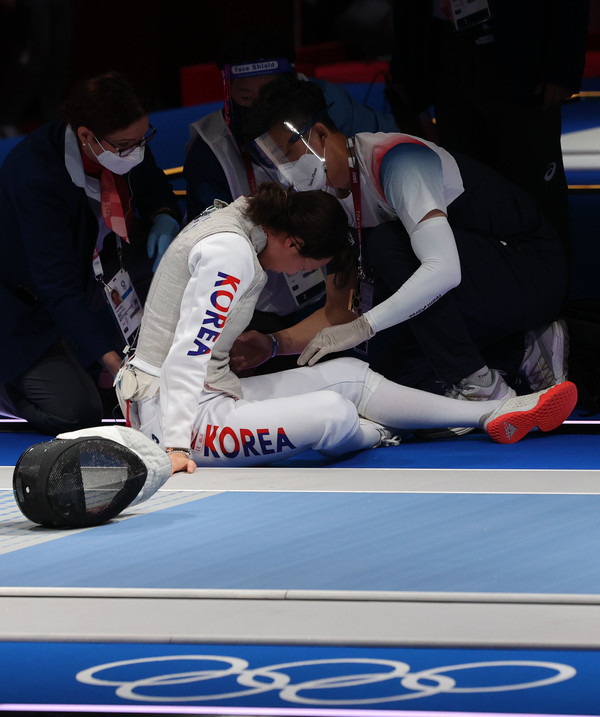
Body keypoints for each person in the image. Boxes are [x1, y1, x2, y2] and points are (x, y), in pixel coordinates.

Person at [114, 183, 576, 475]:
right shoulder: (230, 253)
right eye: (308, 264)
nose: (291, 273)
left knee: (350, 376)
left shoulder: (247, 216)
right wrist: (174, 447)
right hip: (172, 418)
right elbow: (189, 351)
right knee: (332, 413)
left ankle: (491, 413)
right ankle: (378, 430)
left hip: (208, 394)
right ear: (293, 242)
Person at [235, 76, 569, 427]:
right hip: (478, 293)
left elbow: (443, 269)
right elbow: (339, 314)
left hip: (530, 269)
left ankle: (482, 384)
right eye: (272, 159)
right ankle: (520, 350)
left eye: (286, 154)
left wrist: (366, 325)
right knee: (393, 385)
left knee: (384, 244)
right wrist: (272, 344)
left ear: (318, 134)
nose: (282, 170)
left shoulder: (394, 159)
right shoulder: (329, 203)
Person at [183, 28, 399, 368]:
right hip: (260, 303)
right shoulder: (210, 150)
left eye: (270, 93)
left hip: (341, 281)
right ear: (228, 94)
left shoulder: (329, 106)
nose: (258, 108)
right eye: (245, 98)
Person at [0, 71, 181, 435]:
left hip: (98, 281)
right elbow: (56, 287)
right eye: (127, 145)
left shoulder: (123, 143)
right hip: (25, 307)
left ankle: (87, 353)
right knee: (79, 412)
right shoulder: (36, 176)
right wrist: (116, 364)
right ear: (86, 137)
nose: (139, 150)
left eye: (143, 138)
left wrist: (165, 215)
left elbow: (153, 183)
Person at [387, 0, 590, 259]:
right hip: (446, 53)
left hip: (520, 55)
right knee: (466, 192)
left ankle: (553, 292)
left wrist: (563, 66)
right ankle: (488, 292)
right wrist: (404, 63)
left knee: (537, 193)